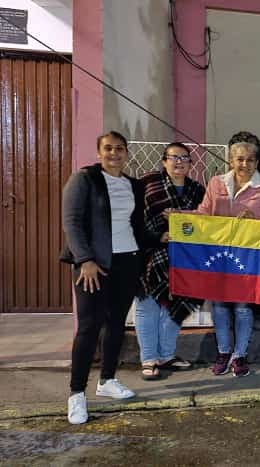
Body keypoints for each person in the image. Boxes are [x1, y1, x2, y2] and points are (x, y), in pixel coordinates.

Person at [60, 131, 165, 424]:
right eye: (108, 148)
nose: (114, 153)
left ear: (126, 153)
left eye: (119, 149)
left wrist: (160, 236)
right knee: (89, 327)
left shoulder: (133, 185)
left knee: (116, 323)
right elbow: (72, 223)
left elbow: (137, 226)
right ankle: (76, 393)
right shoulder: (84, 179)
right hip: (94, 265)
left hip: (127, 261)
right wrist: (85, 260)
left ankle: (107, 380)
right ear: (99, 152)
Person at [196, 141, 260, 378]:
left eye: (250, 159)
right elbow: (203, 213)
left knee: (243, 307)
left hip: (248, 257)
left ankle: (239, 355)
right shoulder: (216, 183)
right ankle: (223, 352)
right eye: (240, 159)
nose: (245, 164)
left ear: (257, 162)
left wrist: (254, 218)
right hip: (219, 254)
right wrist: (179, 219)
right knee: (219, 305)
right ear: (231, 161)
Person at [134, 143, 206, 381]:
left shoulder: (197, 190)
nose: (179, 162)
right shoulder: (148, 184)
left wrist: (182, 217)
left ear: (191, 164)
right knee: (148, 306)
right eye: (174, 157)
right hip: (151, 254)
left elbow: (206, 221)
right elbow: (135, 219)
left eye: (184, 158)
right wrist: (158, 236)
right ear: (164, 161)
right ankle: (148, 359)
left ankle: (166, 355)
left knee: (177, 305)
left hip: (185, 256)